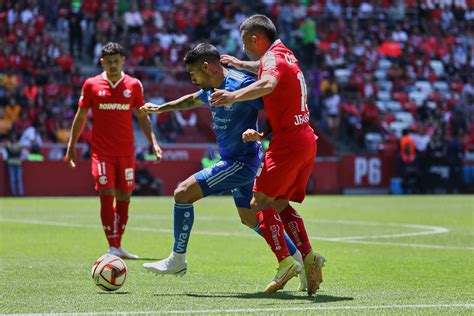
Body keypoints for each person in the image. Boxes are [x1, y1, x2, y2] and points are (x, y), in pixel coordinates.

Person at [140, 43, 307, 291]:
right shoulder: (211, 87)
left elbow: (273, 110)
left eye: (193, 74)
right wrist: (162, 108)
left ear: (206, 67)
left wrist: (261, 133)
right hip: (238, 160)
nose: (192, 79)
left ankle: (177, 260)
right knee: (250, 218)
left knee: (182, 193)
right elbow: (191, 101)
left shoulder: (241, 85)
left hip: (240, 162)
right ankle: (300, 262)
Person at [210, 14, 325, 296]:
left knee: (259, 202)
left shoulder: (272, 62)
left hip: (288, 143)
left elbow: (268, 84)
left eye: (245, 44)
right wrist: (239, 64)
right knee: (281, 203)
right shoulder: (285, 54)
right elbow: (265, 69)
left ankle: (285, 262)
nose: (244, 49)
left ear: (254, 39)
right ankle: (310, 258)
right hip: (305, 137)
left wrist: (233, 96)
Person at [65, 42, 162, 259]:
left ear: (123, 61)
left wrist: (153, 142)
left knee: (125, 195)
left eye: (116, 61)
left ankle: (118, 245)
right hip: (102, 152)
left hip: (126, 152)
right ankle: (112, 246)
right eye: (108, 62)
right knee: (106, 192)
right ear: (102, 62)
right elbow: (80, 117)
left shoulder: (134, 85)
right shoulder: (91, 85)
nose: (113, 65)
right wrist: (71, 146)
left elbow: (142, 116)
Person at [5, 131, 25, 196]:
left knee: (19, 179)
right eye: (12, 135)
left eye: (14, 135)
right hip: (11, 163)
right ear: (10, 136)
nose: (13, 137)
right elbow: (11, 152)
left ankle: (21, 194)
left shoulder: (19, 143)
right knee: (12, 179)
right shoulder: (8, 143)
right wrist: (15, 151)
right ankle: (13, 194)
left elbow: (17, 152)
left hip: (18, 163)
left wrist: (13, 150)